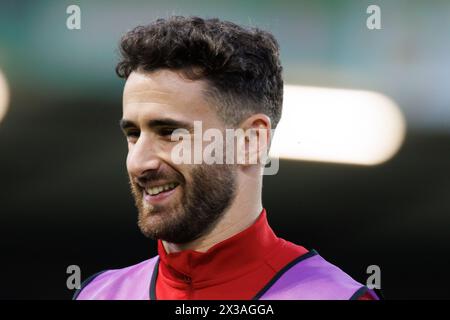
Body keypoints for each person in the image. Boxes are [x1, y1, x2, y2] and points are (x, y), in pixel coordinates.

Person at [74, 16, 380, 300]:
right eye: (133, 134)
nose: (138, 162)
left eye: (169, 133)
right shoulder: (98, 294)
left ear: (250, 140)